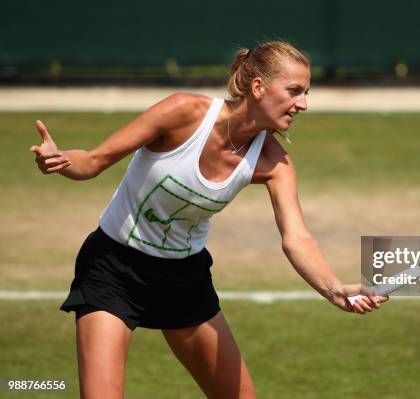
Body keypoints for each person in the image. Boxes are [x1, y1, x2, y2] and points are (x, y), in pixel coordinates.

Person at [31, 41, 387, 399]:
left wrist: (332, 287)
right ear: (259, 87)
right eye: (294, 91)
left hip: (184, 280)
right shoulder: (184, 112)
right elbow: (93, 161)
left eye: (306, 93)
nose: (304, 103)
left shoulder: (273, 162)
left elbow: (297, 238)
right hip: (113, 269)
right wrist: (59, 160)